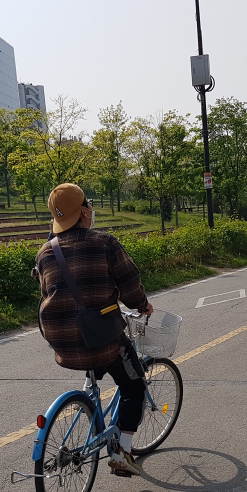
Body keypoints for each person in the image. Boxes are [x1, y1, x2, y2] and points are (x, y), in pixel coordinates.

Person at [33, 183, 153, 476]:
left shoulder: (46, 251)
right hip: (100, 341)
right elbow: (129, 286)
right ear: (85, 211)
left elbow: (47, 289)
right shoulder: (104, 243)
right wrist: (142, 305)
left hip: (61, 343)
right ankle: (123, 453)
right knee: (134, 384)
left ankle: (92, 411)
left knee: (98, 363)